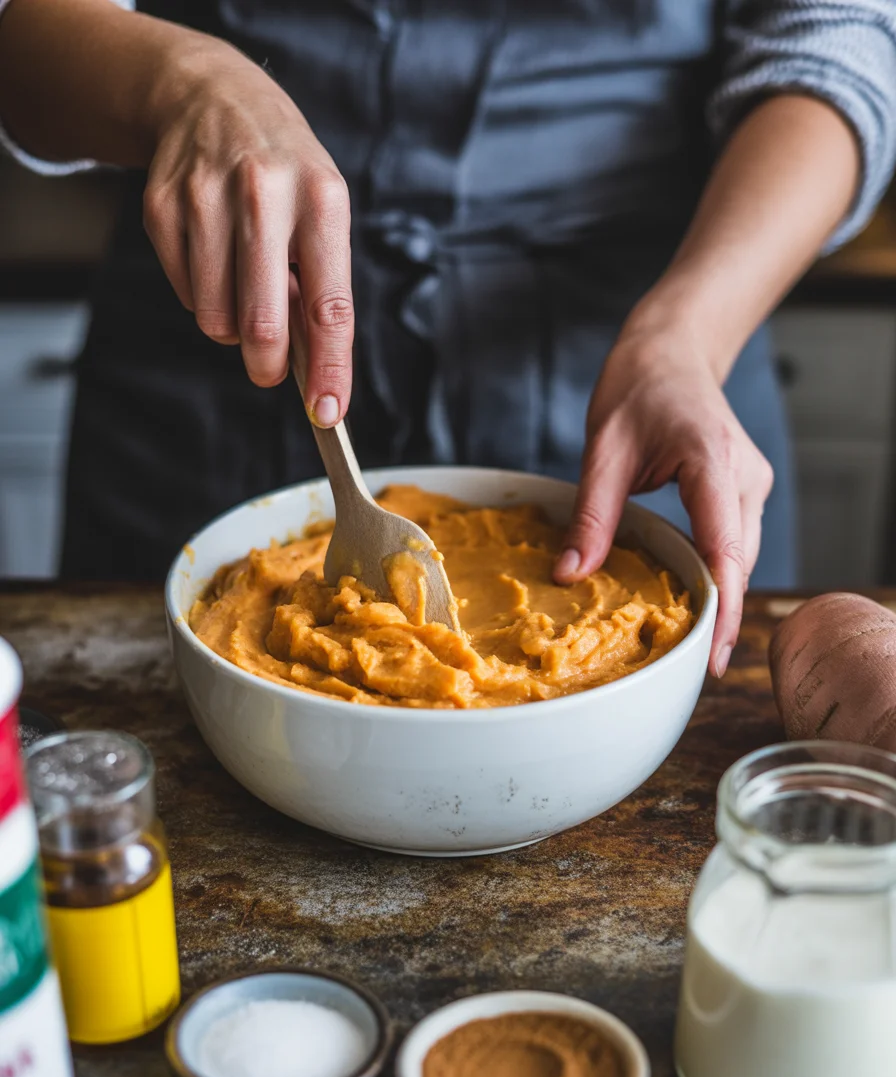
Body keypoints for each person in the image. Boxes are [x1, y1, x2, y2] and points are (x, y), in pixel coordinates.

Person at [1, 1, 894, 678]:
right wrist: (182, 83)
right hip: (224, 309)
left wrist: (691, 333)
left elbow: (840, 39)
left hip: (653, 338)